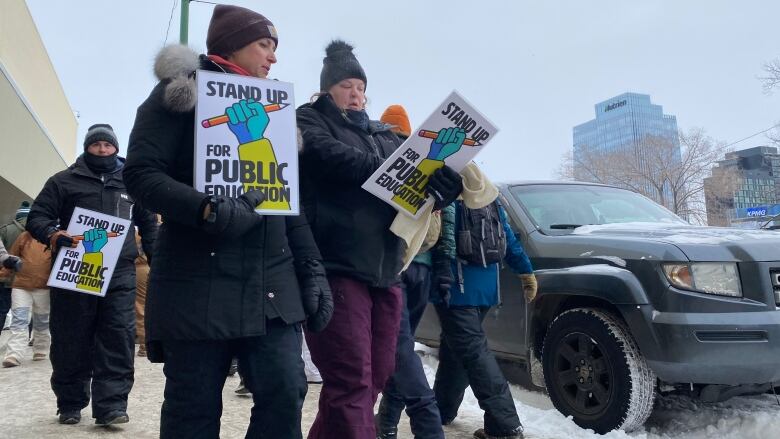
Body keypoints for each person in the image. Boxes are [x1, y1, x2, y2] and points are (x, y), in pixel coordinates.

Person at [124, 5, 332, 438]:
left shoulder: (273, 109)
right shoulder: (179, 93)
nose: (273, 58)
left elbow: (282, 200)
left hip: (268, 284)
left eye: (275, 48)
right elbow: (141, 174)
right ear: (233, 45)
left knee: (285, 389)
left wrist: (312, 268)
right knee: (192, 408)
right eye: (264, 45)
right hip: (196, 283)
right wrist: (207, 209)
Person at [297, 41, 463, 438]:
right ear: (326, 90)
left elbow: (417, 188)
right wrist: (394, 169)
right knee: (351, 378)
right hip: (337, 266)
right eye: (346, 86)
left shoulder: (384, 136)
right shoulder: (306, 121)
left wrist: (442, 186)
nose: (356, 95)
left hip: (387, 269)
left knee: (377, 375)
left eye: (360, 87)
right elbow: (330, 156)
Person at [26, 123, 159, 426]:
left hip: (120, 272)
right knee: (72, 338)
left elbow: (149, 224)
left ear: (116, 148)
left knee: (118, 337)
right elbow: (38, 217)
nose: (102, 150)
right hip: (75, 270)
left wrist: (157, 259)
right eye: (96, 145)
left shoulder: (131, 182)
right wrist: (53, 233)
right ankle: (70, 402)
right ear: (87, 147)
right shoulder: (62, 181)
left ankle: (111, 405)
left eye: (107, 145)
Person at [430, 199, 537, 439]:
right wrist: (525, 271)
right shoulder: (488, 197)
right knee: (455, 347)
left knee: (473, 353)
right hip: (486, 289)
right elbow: (507, 237)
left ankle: (504, 425)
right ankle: (441, 410)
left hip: (457, 288)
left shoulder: (448, 196)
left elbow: (433, 236)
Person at [375, 104, 445, 439]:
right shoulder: (427, 163)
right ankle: (387, 422)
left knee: (400, 351)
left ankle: (419, 426)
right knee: (402, 349)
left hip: (396, 266)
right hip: (425, 269)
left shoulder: (384, 160)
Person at [2, 230, 51, 367]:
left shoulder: (54, 239)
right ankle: (14, 354)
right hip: (21, 286)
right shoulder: (24, 236)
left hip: (44, 287)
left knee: (42, 320)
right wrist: (3, 273)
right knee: (19, 320)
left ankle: (41, 349)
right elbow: (12, 257)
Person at [0, 201, 30, 329]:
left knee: (1, 311)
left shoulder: (5, 230)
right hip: (24, 281)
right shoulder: (34, 235)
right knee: (22, 316)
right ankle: (30, 339)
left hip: (4, 279)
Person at [133, 232, 149, 357]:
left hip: (138, 268)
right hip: (150, 266)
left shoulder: (133, 232)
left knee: (140, 308)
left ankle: (144, 346)